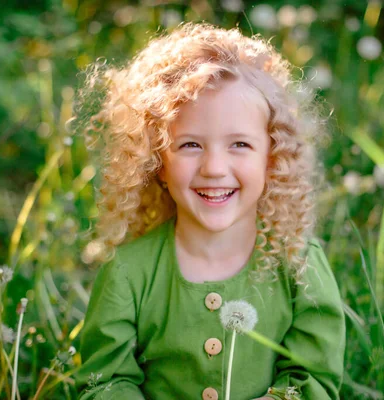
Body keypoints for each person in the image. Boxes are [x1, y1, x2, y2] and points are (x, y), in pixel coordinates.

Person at [73, 22, 345, 400]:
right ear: (156, 161)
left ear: (273, 157)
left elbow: (314, 377)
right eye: (189, 145)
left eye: (239, 144)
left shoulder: (298, 263)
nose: (214, 167)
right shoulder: (128, 273)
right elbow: (103, 382)